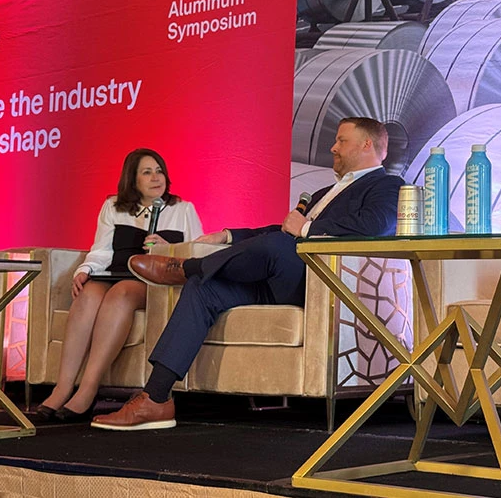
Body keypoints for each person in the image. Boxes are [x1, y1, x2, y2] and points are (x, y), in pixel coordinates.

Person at [91, 117, 404, 431]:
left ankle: (185, 268)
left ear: (367, 145)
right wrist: (227, 236)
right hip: (280, 276)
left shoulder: (389, 185)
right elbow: (279, 230)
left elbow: (375, 225)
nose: (333, 148)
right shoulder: (326, 191)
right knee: (206, 286)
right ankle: (156, 398)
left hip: (322, 281)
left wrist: (307, 228)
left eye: (341, 141)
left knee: (277, 245)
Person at [36, 148, 203, 422]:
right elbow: (101, 250)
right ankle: (62, 387)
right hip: (115, 272)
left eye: (159, 171)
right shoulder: (113, 207)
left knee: (122, 293)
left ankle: (89, 389)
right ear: (132, 180)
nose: (155, 178)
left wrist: (170, 247)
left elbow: (198, 252)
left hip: (153, 281)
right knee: (88, 294)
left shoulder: (182, 209)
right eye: (147, 172)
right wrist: (85, 270)